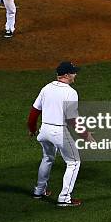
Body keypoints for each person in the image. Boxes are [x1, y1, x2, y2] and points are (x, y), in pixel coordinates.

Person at [27, 61, 89, 207]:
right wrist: (85, 135)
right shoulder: (70, 92)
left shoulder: (46, 88)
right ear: (66, 75)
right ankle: (65, 198)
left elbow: (34, 111)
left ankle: (39, 190)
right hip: (59, 132)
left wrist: (32, 129)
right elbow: (73, 119)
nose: (75, 75)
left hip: (44, 131)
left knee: (47, 157)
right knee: (74, 162)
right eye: (73, 72)